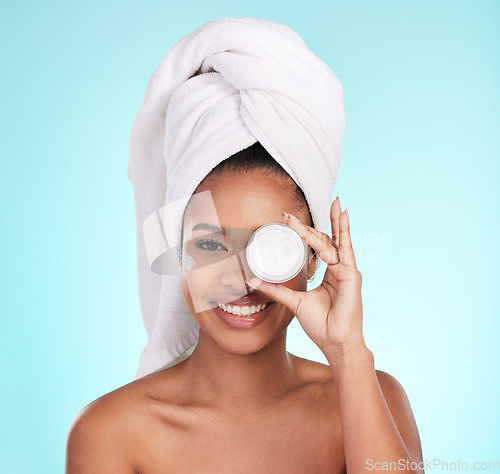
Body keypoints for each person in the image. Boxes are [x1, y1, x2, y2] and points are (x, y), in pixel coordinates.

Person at [66, 19, 424, 473]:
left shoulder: (371, 399)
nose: (243, 279)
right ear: (177, 254)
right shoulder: (112, 432)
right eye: (211, 243)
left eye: (272, 246)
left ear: (313, 256)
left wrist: (349, 351)